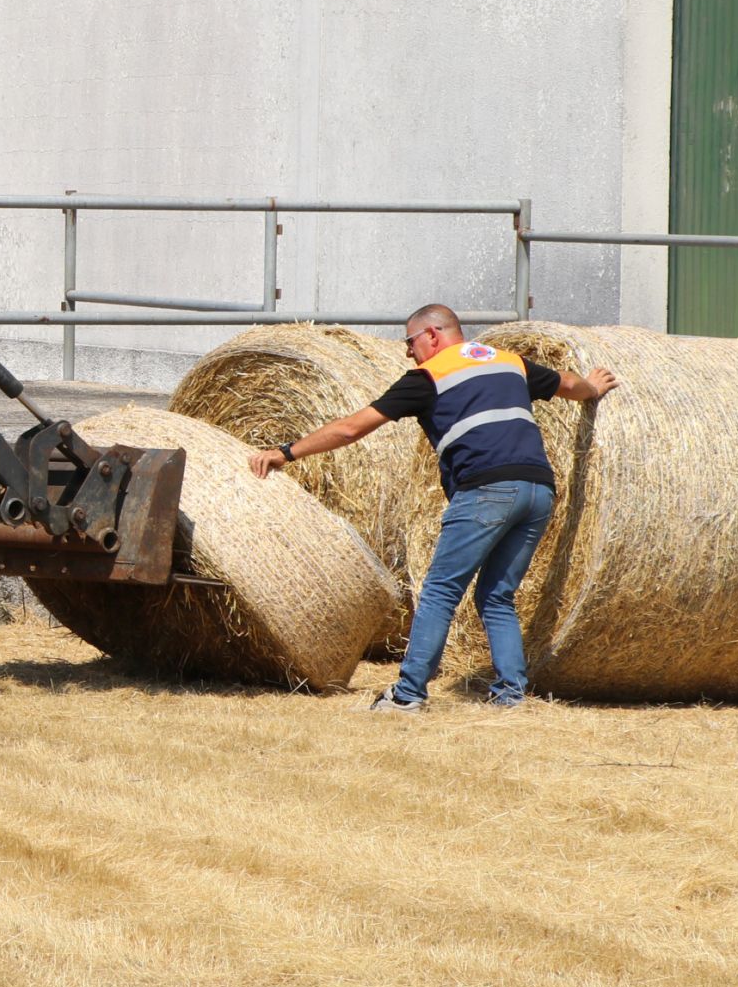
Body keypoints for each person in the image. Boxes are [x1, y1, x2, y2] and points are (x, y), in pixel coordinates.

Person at [247, 304, 617, 710]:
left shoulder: (428, 377)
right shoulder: (507, 362)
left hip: (486, 490)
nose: (408, 352)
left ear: (433, 335)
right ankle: (510, 694)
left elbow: (350, 428)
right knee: (497, 595)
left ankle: (407, 695)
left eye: (410, 342)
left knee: (440, 590)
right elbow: (568, 383)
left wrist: (286, 452)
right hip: (539, 490)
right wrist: (593, 388)